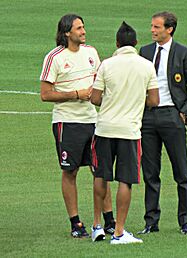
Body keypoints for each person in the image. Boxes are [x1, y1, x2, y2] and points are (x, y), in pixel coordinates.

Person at [40, 13, 115, 238]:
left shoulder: (91, 53)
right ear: (66, 33)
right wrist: (76, 94)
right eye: (79, 28)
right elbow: (45, 94)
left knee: (100, 170)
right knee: (70, 171)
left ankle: (109, 220)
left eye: (83, 27)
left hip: (93, 121)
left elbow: (100, 82)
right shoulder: (54, 58)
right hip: (67, 123)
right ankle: (76, 223)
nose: (83, 31)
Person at [90, 21, 159, 244]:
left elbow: (95, 98)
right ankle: (119, 231)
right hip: (129, 131)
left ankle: (96, 226)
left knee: (101, 176)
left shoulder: (107, 65)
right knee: (125, 181)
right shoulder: (147, 65)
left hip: (105, 128)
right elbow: (154, 100)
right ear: (136, 43)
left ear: (117, 43)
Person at [137, 11, 187, 235]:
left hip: (172, 117)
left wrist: (183, 114)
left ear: (169, 29)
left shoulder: (184, 53)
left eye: (157, 27)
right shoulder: (144, 52)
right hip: (148, 118)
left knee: (181, 172)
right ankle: (151, 222)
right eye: (152, 26)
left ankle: (184, 222)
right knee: (150, 173)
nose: (152, 30)